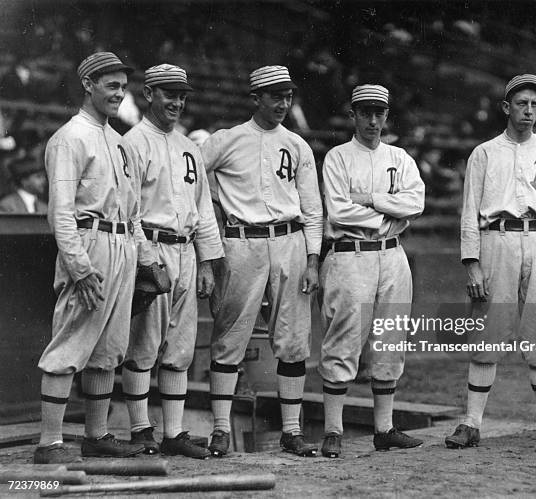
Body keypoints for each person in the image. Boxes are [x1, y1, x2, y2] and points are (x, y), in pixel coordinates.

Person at [445, 74, 536, 455]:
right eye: (521, 103)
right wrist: (471, 262)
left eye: (535, 104)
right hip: (497, 239)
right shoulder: (485, 153)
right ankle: (471, 423)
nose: (528, 110)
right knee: (489, 329)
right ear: (506, 107)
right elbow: (469, 212)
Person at [200, 65, 323, 457]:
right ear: (256, 98)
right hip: (242, 241)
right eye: (275, 96)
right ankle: (220, 429)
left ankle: (291, 431)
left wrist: (314, 258)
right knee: (230, 336)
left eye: (288, 96)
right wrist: (215, 207)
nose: (283, 104)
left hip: (290, 239)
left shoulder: (298, 144)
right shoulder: (227, 139)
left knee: (292, 338)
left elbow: (313, 209)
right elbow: (189, 176)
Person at [34, 52, 148, 464]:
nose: (119, 93)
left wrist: (143, 258)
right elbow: (60, 211)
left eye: (123, 86)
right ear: (88, 84)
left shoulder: (117, 141)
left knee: (108, 347)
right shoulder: (70, 136)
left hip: (121, 245)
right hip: (88, 240)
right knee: (71, 342)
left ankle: (97, 435)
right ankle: (49, 443)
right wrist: (79, 266)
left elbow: (133, 211)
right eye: (111, 85)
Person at [121, 64, 223, 459]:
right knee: (144, 345)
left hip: (186, 249)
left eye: (182, 95)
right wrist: (146, 259)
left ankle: (174, 432)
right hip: (152, 245)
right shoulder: (133, 143)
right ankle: (140, 428)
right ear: (148, 94)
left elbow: (203, 210)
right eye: (168, 93)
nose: (176, 102)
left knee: (180, 347)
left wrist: (208, 263)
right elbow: (127, 210)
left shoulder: (189, 147)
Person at [317, 84, 425, 458]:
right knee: (343, 340)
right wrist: (388, 215)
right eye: (366, 112)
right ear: (354, 115)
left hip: (393, 257)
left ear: (386, 115)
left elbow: (416, 202)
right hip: (351, 255)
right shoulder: (338, 157)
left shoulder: (400, 157)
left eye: (379, 113)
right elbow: (339, 211)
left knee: (391, 341)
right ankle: (333, 429)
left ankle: (385, 428)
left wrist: (372, 201)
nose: (374, 120)